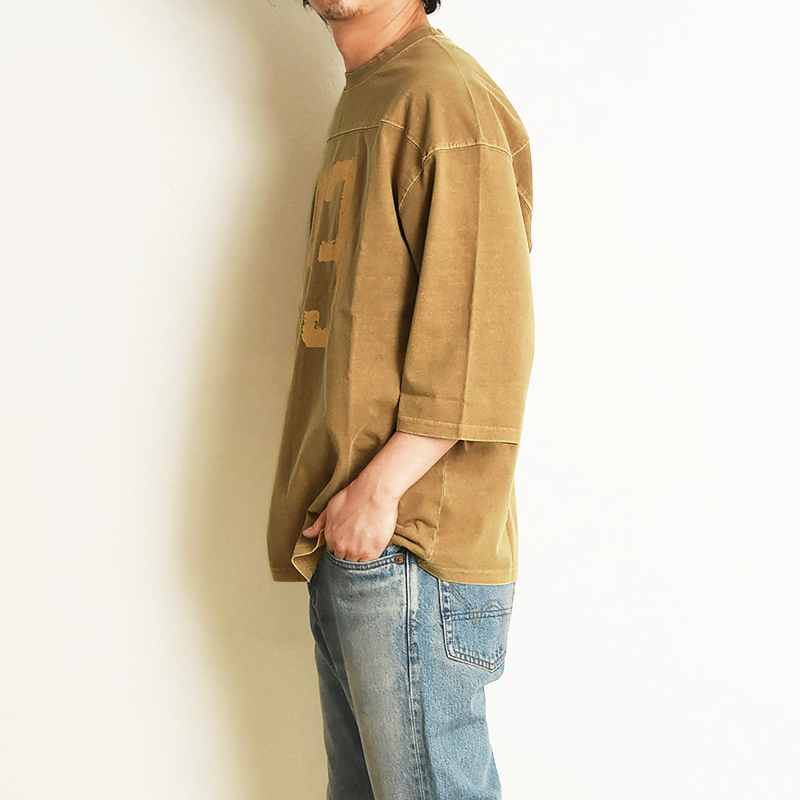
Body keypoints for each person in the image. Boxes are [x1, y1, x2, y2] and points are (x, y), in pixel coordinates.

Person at [266, 2, 535, 797]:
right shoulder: (374, 93)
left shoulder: (443, 97)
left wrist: (378, 492)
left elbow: (487, 334)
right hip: (358, 537)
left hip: (410, 546)